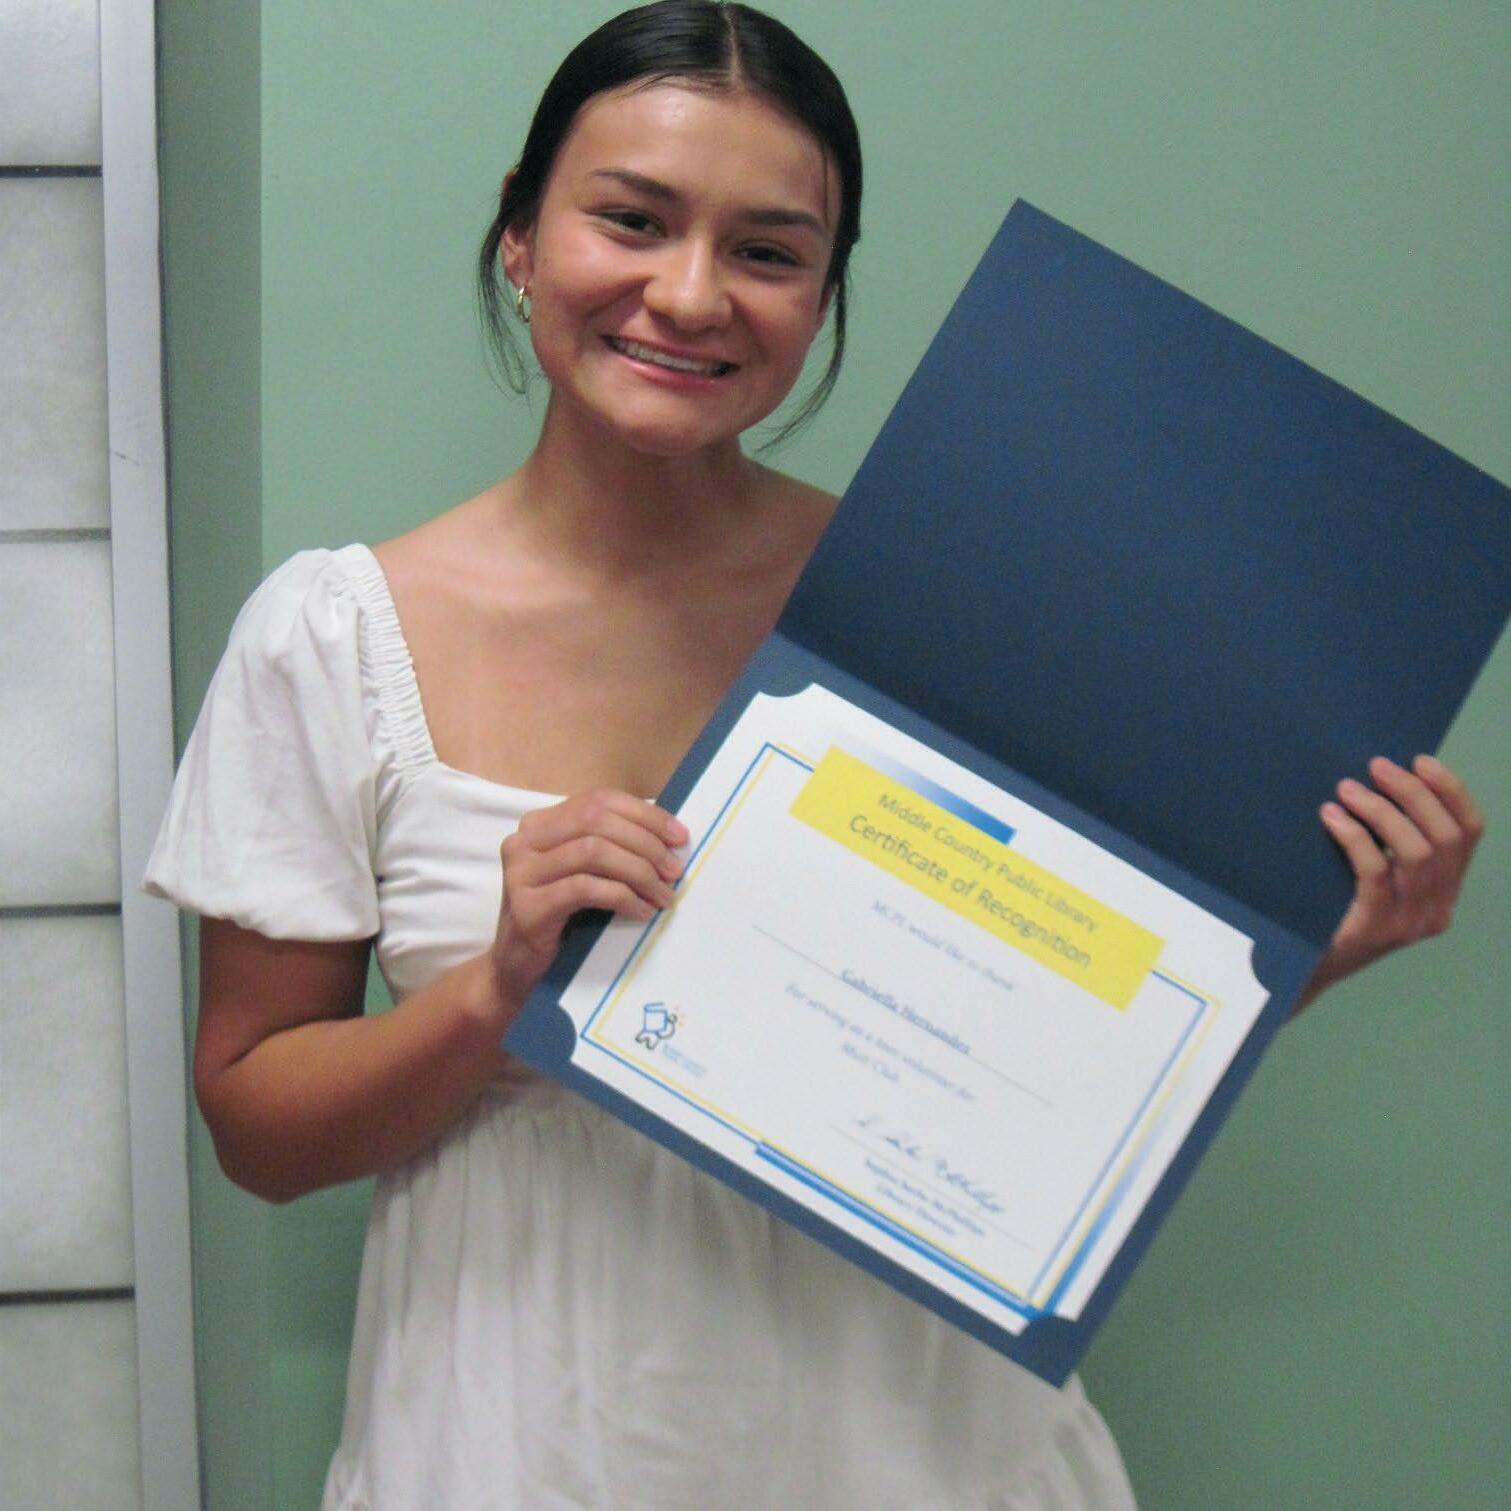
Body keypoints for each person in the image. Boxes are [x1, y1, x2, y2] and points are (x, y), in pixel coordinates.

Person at [145, 3, 1485, 1506]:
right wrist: (501, 988)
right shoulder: (333, 635)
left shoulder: (947, 598)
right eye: (632, 220)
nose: (689, 294)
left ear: (826, 289)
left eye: (769, 252)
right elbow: (257, 1129)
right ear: (520, 233)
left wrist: (1293, 958)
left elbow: (1040, 1053)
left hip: (924, 1444)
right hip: (519, 1440)